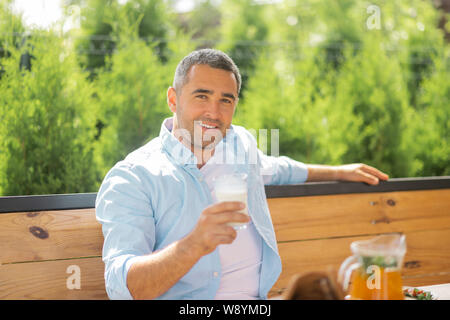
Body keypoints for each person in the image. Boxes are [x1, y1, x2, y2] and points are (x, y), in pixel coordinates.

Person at [95, 48, 389, 300]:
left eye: (226, 100)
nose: (214, 112)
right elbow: (122, 288)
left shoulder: (240, 144)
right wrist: (192, 245)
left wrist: (340, 171)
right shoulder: (134, 176)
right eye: (202, 96)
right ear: (173, 99)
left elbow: (277, 169)